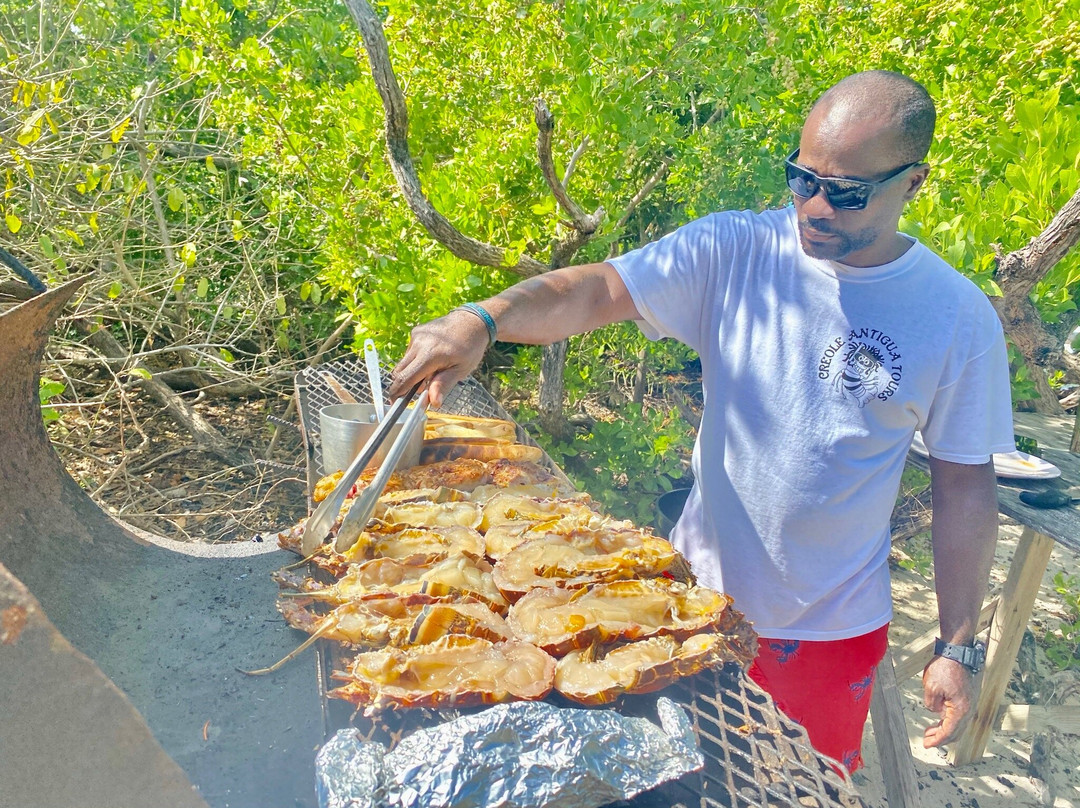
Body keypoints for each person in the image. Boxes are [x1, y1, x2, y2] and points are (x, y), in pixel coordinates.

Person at [388, 70, 1014, 771]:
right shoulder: (736, 251)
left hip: (828, 633)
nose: (814, 206)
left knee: (803, 784)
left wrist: (956, 646)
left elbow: (965, 487)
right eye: (801, 178)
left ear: (914, 182)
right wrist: (483, 318)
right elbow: (596, 290)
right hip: (685, 606)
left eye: (846, 193)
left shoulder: (956, 317)